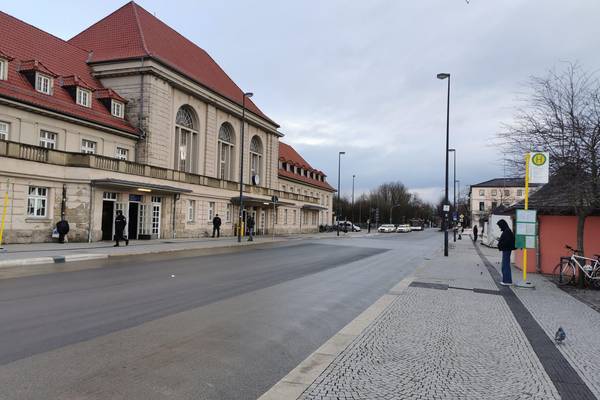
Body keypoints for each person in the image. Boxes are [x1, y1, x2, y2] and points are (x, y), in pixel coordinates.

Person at [497, 219, 515, 285]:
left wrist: (500, 243)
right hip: (506, 250)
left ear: (502, 225)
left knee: (505, 265)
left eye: (500, 226)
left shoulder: (507, 231)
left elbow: (507, 242)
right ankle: (506, 280)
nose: (499, 227)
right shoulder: (507, 230)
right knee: (505, 265)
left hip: (506, 250)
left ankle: (507, 281)